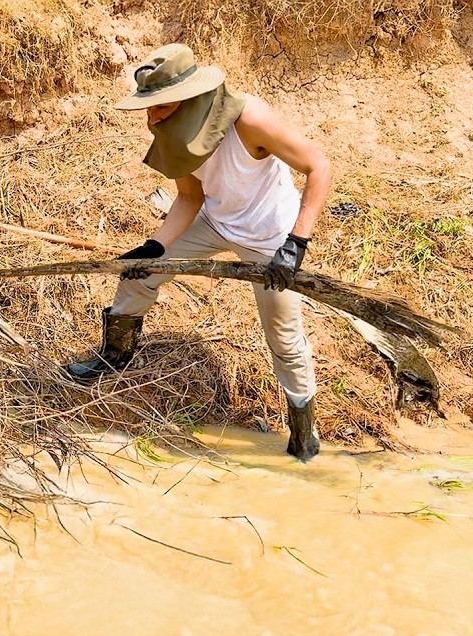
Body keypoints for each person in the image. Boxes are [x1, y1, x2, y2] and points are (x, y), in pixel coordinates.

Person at [62, 44, 331, 462]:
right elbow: (190, 198)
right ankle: (112, 358)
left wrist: (295, 243)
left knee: (283, 336)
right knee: (139, 275)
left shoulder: (250, 120)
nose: (151, 119)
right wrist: (155, 247)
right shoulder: (177, 133)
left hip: (270, 237)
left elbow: (319, 166)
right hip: (213, 221)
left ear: (188, 99)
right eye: (148, 109)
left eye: (159, 108)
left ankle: (303, 434)